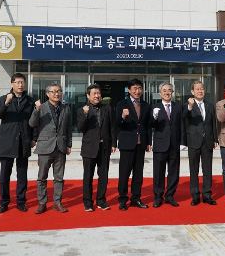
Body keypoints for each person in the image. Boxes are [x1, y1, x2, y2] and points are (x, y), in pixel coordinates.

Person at [0, 73, 35, 213]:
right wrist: (6, 103)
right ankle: (4, 202)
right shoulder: (2, 99)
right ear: (12, 84)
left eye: (22, 82)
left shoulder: (30, 101)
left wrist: (33, 138)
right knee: (5, 174)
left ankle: (21, 201)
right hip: (7, 141)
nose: (20, 85)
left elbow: (35, 122)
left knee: (22, 174)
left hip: (24, 141)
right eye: (17, 82)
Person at [29, 82, 72, 213]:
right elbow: (32, 123)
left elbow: (68, 128)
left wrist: (69, 144)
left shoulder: (66, 108)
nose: (56, 93)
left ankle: (57, 202)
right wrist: (36, 110)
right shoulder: (41, 107)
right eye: (53, 91)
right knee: (42, 177)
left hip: (60, 147)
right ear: (47, 94)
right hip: (45, 146)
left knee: (59, 178)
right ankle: (42, 202)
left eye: (59, 91)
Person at [77, 84, 116, 212]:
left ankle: (101, 201)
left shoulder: (107, 108)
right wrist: (85, 114)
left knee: (103, 175)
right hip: (89, 147)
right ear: (88, 96)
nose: (97, 95)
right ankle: (87, 202)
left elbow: (112, 127)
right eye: (94, 93)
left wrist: (113, 143)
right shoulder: (82, 110)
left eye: (98, 93)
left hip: (104, 146)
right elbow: (80, 128)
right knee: (88, 176)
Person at [116, 78, 152, 211]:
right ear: (129, 90)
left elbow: (147, 125)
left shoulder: (146, 105)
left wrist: (148, 142)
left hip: (141, 144)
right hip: (127, 143)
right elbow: (117, 123)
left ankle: (136, 198)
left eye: (139, 88)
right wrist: (123, 117)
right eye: (135, 89)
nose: (137, 91)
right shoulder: (122, 104)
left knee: (138, 174)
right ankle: (123, 199)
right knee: (124, 173)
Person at [150, 83, 186, 208]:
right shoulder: (154, 107)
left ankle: (170, 196)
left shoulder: (178, 107)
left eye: (169, 90)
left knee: (173, 172)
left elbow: (182, 125)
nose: (167, 93)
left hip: (174, 144)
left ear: (172, 92)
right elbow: (150, 125)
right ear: (160, 93)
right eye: (164, 91)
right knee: (159, 172)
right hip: (160, 144)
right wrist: (153, 116)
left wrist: (182, 142)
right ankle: (158, 197)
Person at [184, 81, 218, 206]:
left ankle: (207, 195)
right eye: (197, 89)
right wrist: (190, 106)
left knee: (207, 169)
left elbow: (213, 123)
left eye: (202, 89)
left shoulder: (209, 106)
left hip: (207, 141)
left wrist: (215, 139)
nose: (200, 91)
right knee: (194, 169)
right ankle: (195, 195)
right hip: (193, 141)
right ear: (192, 92)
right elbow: (185, 117)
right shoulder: (188, 105)